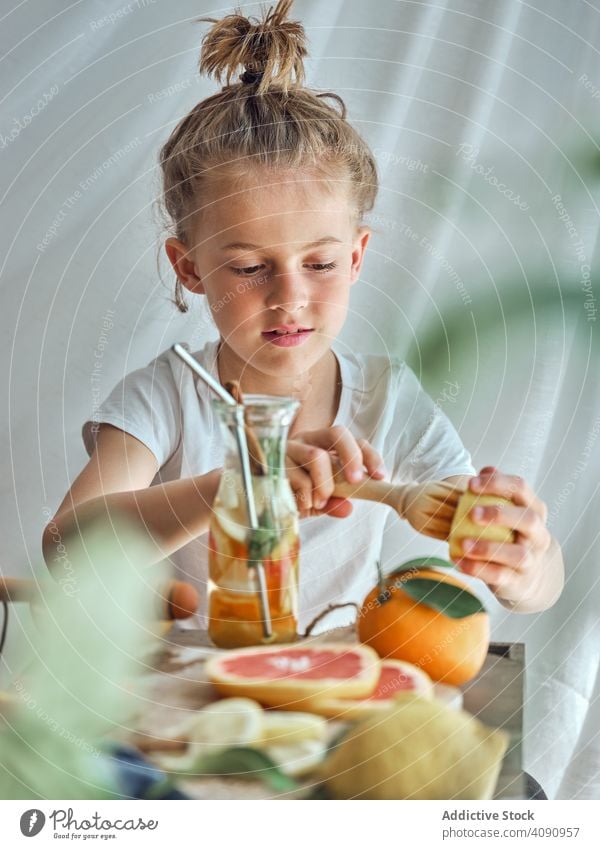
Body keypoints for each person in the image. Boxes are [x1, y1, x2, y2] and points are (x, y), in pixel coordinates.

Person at [42, 0, 563, 631]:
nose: (289, 297)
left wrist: (526, 566)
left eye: (318, 265)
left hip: (330, 695)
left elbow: (535, 585)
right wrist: (238, 484)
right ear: (190, 269)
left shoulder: (385, 399)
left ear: (356, 257)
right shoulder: (169, 395)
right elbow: (67, 551)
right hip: (189, 701)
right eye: (248, 267)